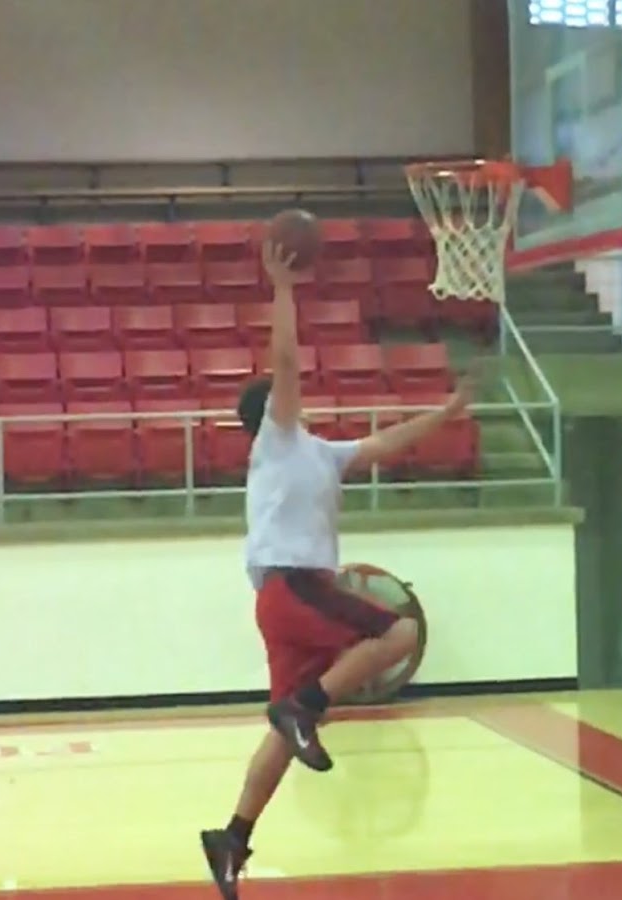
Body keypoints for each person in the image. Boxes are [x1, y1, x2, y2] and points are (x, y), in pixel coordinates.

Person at [199, 240, 475, 900]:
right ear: (271, 412)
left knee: (283, 728)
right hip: (293, 585)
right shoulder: (276, 441)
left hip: (286, 598)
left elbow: (387, 442)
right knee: (399, 632)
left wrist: (444, 414)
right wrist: (283, 289)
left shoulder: (320, 452)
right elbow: (286, 363)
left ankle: (232, 837)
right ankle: (307, 708)